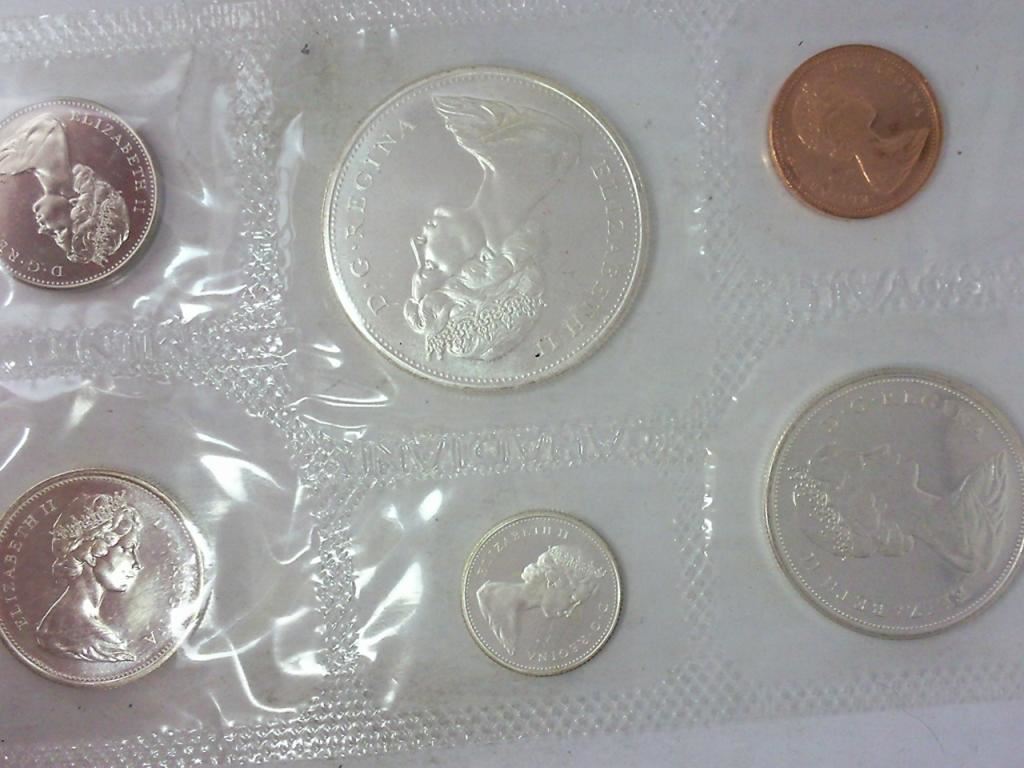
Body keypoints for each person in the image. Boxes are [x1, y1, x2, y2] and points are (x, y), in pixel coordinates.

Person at [403, 96, 579, 361]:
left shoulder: (478, 137)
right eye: (429, 265)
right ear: (482, 262)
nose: (417, 242)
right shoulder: (538, 153)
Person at [0, 112, 130, 267]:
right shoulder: (46, 135)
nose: (42, 231)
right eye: (59, 230)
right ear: (75, 205)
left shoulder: (24, 161)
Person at [35, 491, 143, 663]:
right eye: (127, 549)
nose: (137, 564)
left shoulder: (56, 622)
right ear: (92, 553)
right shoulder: (79, 633)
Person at [476, 544, 605, 656]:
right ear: (554, 581)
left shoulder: (544, 631)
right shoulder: (487, 597)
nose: (569, 612)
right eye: (571, 599)